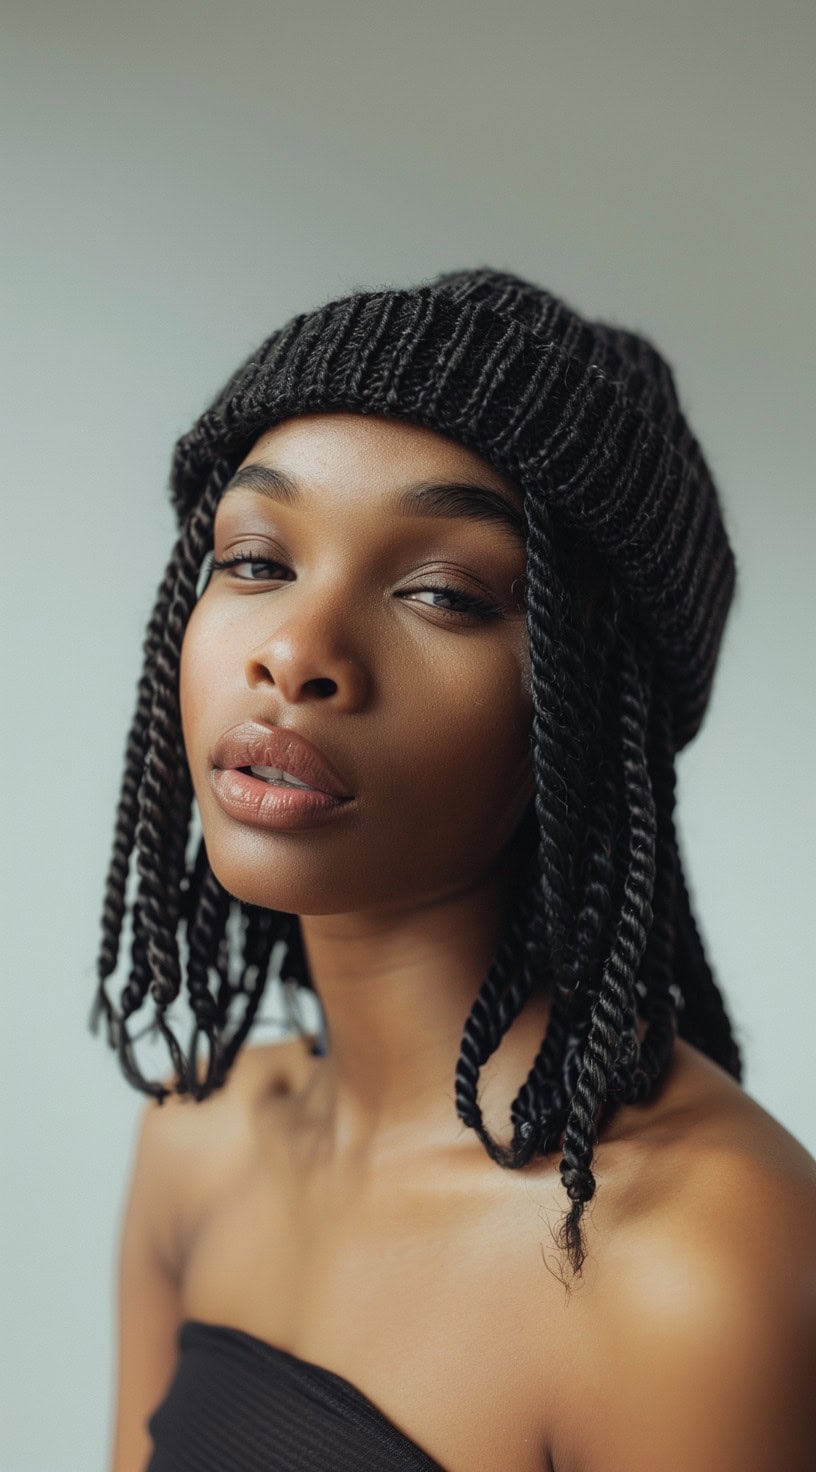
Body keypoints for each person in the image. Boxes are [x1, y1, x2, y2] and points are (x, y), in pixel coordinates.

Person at [93, 268, 816, 1472]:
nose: (297, 654)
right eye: (258, 560)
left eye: (444, 592)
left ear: (590, 715)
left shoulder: (700, 1263)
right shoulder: (200, 1134)